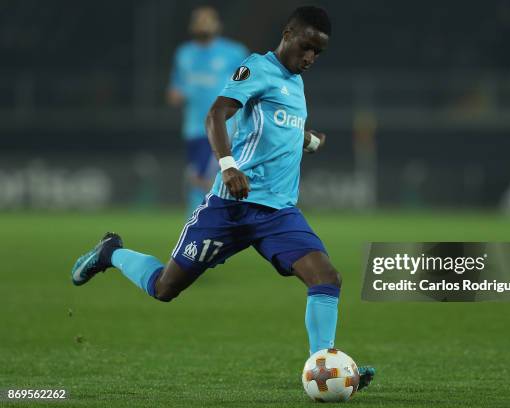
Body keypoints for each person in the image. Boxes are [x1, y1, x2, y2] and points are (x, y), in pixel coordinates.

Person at [72, 6, 375, 391]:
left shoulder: (296, 83)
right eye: (306, 47)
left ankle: (325, 366)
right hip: (231, 207)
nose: (310, 58)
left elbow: (281, 129)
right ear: (288, 33)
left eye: (318, 53)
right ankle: (110, 252)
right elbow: (215, 115)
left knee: (327, 278)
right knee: (166, 288)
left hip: (278, 213)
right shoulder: (256, 69)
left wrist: (309, 139)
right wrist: (228, 165)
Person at [168, 6, 248, 215]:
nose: (203, 24)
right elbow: (175, 89)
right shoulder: (183, 54)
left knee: (208, 180)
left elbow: (249, 87)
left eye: (207, 20)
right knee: (197, 180)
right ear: (192, 25)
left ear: (217, 24)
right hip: (193, 128)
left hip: (223, 127)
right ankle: (199, 225)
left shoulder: (234, 52)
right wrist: (177, 94)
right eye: (199, 20)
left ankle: (204, 223)